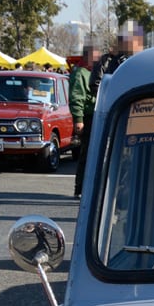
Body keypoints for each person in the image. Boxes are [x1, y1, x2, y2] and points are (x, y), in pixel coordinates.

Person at [70, 42, 100, 198]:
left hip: (95, 115)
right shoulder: (80, 72)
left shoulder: (92, 71)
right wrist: (78, 119)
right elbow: (77, 97)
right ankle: (80, 188)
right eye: (95, 56)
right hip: (87, 117)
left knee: (94, 153)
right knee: (87, 153)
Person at [90, 20, 144, 95]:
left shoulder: (142, 61)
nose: (137, 43)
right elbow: (96, 85)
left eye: (138, 39)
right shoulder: (107, 61)